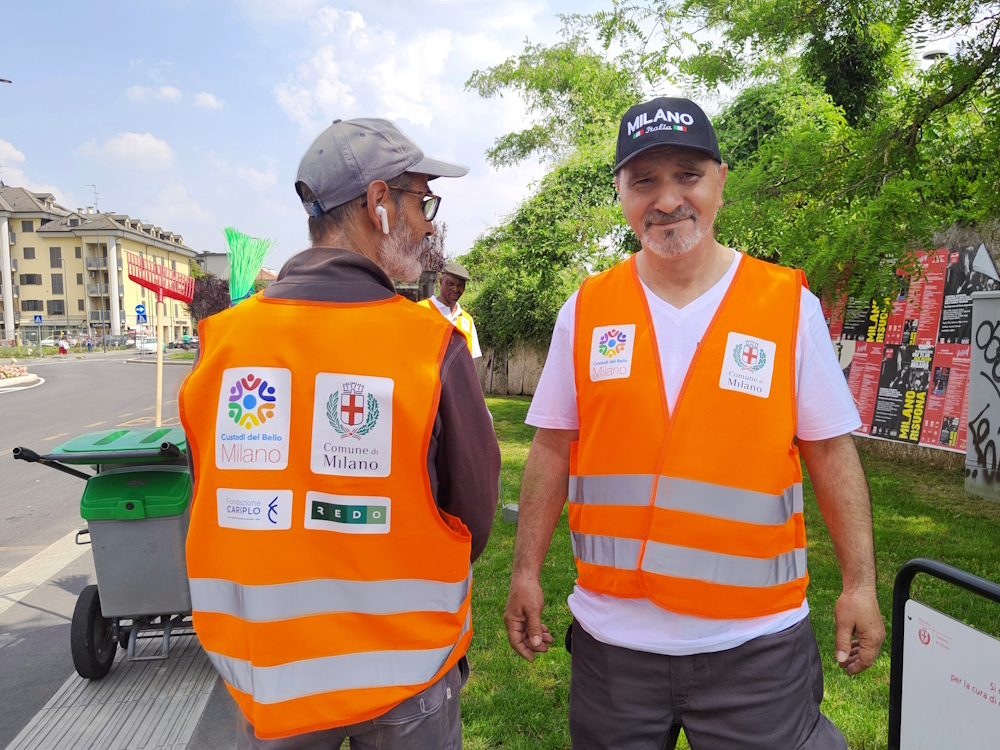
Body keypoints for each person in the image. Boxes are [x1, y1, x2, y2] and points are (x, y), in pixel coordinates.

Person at [503, 97, 886, 749]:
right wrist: (524, 572)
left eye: (687, 175)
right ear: (621, 194)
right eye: (644, 181)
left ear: (720, 181)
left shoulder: (785, 306)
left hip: (756, 647)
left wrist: (860, 583)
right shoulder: (587, 309)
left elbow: (830, 452)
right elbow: (550, 448)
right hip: (612, 651)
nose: (667, 199)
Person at [179, 118, 501, 749]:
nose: (430, 223)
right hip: (407, 674)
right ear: (379, 203)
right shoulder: (429, 344)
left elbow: (206, 497)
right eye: (422, 199)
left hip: (270, 681)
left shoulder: (221, 345)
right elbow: (475, 510)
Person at [417, 262, 482, 359]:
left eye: (460, 285)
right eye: (450, 284)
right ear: (441, 282)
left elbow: (471, 360)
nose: (455, 289)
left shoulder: (467, 320)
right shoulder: (420, 310)